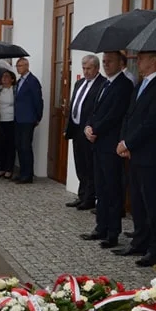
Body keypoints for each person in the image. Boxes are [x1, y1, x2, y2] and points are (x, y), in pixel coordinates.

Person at [115, 51, 156, 267]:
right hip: (136, 152)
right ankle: (139, 241)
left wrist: (129, 143)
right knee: (137, 201)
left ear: (154, 60)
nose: (137, 61)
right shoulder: (142, 84)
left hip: (152, 155)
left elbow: (152, 122)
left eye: (141, 58)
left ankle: (155, 249)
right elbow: (130, 116)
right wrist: (125, 141)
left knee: (153, 202)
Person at [80, 51, 132, 249]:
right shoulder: (104, 83)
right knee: (100, 187)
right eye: (104, 62)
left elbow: (115, 114)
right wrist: (88, 127)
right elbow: (94, 110)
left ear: (121, 63)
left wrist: (96, 129)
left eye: (110, 61)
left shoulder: (124, 85)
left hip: (111, 144)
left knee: (112, 189)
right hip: (97, 143)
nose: (106, 64)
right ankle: (100, 227)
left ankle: (112, 232)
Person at [65, 55, 106, 210]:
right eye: (84, 68)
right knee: (80, 164)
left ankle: (89, 198)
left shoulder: (102, 84)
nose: (86, 71)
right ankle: (82, 195)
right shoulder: (79, 83)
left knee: (90, 166)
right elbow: (74, 104)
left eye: (89, 68)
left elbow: (96, 110)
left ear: (96, 68)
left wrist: (91, 126)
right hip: (76, 129)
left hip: (89, 130)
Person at [13, 57, 43, 184]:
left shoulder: (32, 81)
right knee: (20, 146)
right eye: (17, 66)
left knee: (26, 147)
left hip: (28, 119)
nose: (18, 68)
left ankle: (28, 174)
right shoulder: (19, 81)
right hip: (18, 118)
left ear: (26, 65)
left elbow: (38, 100)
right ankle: (22, 172)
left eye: (20, 66)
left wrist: (37, 117)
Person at [0, 70, 16, 178]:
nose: (4, 78)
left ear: (12, 79)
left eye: (7, 77)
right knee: (1, 145)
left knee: (10, 145)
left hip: (10, 120)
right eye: (3, 77)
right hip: (0, 120)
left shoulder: (14, 90)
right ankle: (2, 167)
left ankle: (9, 168)